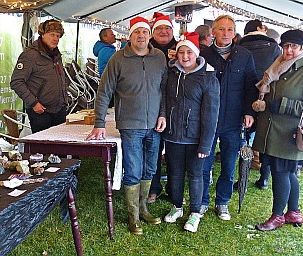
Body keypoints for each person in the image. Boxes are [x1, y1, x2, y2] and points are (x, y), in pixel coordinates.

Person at [85, 16, 167, 235]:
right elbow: (104, 92)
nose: (141, 36)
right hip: (130, 125)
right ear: (130, 36)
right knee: (132, 170)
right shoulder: (117, 59)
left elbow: (164, 89)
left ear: (149, 35)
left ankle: (143, 208)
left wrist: (163, 114)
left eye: (144, 32)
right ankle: (133, 217)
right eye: (136, 32)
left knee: (150, 168)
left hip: (154, 125)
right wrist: (99, 122)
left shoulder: (159, 57)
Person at [252, 30, 303, 231]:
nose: (288, 50)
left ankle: (277, 216)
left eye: (294, 46)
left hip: (288, 134)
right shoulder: (279, 66)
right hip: (272, 130)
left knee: (281, 174)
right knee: (288, 174)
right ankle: (293, 213)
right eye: (286, 45)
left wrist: (280, 105)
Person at [199, 14, 259, 220]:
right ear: (213, 32)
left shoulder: (244, 55)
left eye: (230, 30)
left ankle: (222, 202)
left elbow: (251, 85)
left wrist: (249, 112)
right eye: (221, 29)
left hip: (233, 120)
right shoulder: (202, 55)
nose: (225, 33)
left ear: (234, 33)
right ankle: (203, 201)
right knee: (204, 163)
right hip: (207, 119)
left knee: (228, 164)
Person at [162, 32, 219, 232]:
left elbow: (211, 114)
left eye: (189, 52)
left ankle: (195, 213)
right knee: (175, 173)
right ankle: (177, 206)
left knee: (196, 175)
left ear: (197, 54)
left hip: (195, 138)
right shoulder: (171, 74)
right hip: (173, 135)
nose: (185, 56)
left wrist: (206, 144)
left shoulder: (208, 78)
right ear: (175, 54)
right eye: (181, 52)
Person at [239, 19, 282, 189]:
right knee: (264, 137)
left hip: (243, 94)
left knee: (244, 136)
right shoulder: (274, 48)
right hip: (266, 97)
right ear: (259, 29)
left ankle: (243, 175)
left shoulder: (239, 46)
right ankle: (264, 177)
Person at [10, 19, 67, 133]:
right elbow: (16, 82)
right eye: (52, 35)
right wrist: (34, 103)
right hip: (41, 111)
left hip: (59, 109)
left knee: (60, 146)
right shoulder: (30, 55)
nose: (56, 39)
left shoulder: (56, 54)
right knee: (43, 147)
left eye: (58, 36)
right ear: (42, 34)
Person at [147, 12, 177, 204]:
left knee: (174, 151)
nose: (163, 31)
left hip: (176, 106)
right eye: (159, 28)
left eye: (167, 28)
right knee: (153, 150)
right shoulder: (145, 49)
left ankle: (174, 190)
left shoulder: (182, 48)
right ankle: (153, 187)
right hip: (153, 106)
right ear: (152, 32)